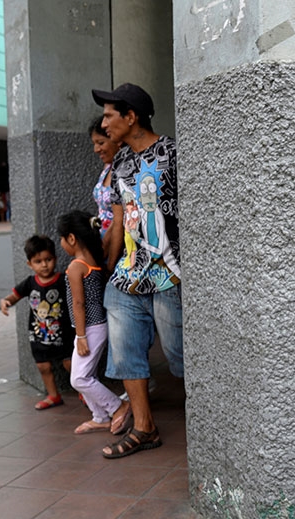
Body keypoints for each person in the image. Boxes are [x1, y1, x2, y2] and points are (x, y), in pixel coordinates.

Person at [92, 82, 183, 459]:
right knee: (127, 351)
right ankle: (145, 428)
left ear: (132, 117)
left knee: (181, 357)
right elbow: (116, 222)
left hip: (170, 274)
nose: (104, 122)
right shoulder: (121, 163)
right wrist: (106, 269)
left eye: (110, 114)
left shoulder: (173, 153)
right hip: (128, 276)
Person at [57, 210, 128, 434]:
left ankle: (117, 406)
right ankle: (99, 416)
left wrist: (80, 336)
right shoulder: (95, 262)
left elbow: (78, 304)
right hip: (98, 326)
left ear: (71, 238)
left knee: (79, 378)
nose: (61, 244)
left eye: (61, 238)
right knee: (86, 375)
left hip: (90, 328)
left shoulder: (76, 267)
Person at [0, 235, 73, 410]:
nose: (44, 265)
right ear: (30, 264)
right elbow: (15, 296)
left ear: (55, 259)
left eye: (48, 259)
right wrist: (6, 301)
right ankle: (53, 395)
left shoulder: (64, 280)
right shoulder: (30, 283)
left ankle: (85, 392)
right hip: (39, 336)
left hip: (64, 336)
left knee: (71, 364)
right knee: (43, 366)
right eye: (38, 261)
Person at [89, 115, 124, 271]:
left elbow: (119, 219)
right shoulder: (107, 168)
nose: (96, 149)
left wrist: (108, 260)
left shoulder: (125, 169)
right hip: (101, 247)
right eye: (94, 144)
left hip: (116, 249)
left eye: (101, 143)